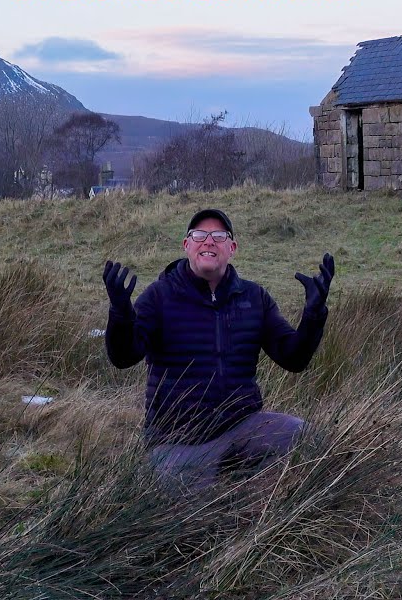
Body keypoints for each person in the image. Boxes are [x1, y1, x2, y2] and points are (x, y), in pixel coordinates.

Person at [101, 208, 334, 488]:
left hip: (243, 426)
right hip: (178, 438)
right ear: (186, 245)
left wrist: (313, 315)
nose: (209, 241)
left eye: (219, 236)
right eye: (199, 235)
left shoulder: (254, 297)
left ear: (231, 248)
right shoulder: (159, 296)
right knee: (196, 506)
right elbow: (123, 356)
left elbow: (293, 358)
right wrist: (121, 314)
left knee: (309, 442)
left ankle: (253, 490)